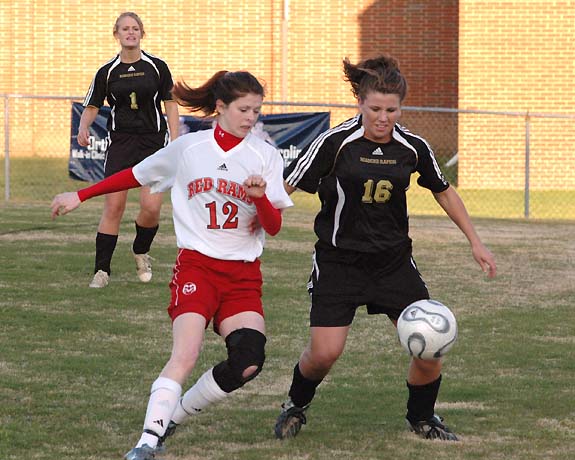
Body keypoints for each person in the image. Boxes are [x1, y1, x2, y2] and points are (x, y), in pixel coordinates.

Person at [51, 70, 293, 459]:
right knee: (186, 354)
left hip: (244, 275)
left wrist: (261, 199)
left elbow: (275, 227)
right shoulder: (189, 149)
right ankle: (146, 442)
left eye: (256, 110)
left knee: (248, 361)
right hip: (198, 267)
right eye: (244, 109)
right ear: (220, 108)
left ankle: (173, 416)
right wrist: (81, 194)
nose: (251, 117)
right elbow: (134, 174)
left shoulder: (264, 155)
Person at [274, 55, 497, 442]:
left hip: (393, 263)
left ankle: (422, 417)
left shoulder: (413, 147)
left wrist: (475, 242)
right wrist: (255, 214)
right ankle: (295, 404)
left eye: (391, 110)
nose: (382, 117)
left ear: (400, 108)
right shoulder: (334, 143)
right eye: (375, 108)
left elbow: (444, 192)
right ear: (359, 104)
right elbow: (285, 188)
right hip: (339, 260)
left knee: (430, 347)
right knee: (325, 353)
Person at [78, 11, 179, 288]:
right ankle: (102, 271)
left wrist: (176, 139)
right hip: (121, 142)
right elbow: (92, 106)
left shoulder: (157, 67)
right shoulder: (107, 72)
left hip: (153, 142)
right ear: (117, 34)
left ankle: (140, 251)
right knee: (114, 205)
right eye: (125, 28)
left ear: (141, 33)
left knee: (151, 208)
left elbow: (171, 104)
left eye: (135, 28)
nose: (130, 32)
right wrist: (83, 127)